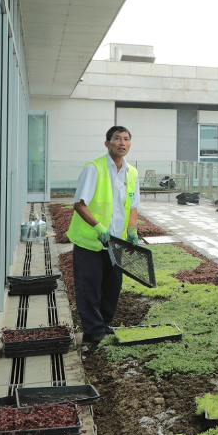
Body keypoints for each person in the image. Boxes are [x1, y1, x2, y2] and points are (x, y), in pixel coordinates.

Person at [68, 126, 141, 345]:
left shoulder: (132, 173)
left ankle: (104, 324)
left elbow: (133, 205)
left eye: (126, 139)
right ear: (107, 143)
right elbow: (79, 205)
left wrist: (132, 230)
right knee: (88, 286)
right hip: (91, 241)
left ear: (130, 144)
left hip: (115, 243)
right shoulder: (94, 168)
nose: (122, 142)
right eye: (117, 138)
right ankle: (92, 330)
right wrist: (98, 227)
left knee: (112, 285)